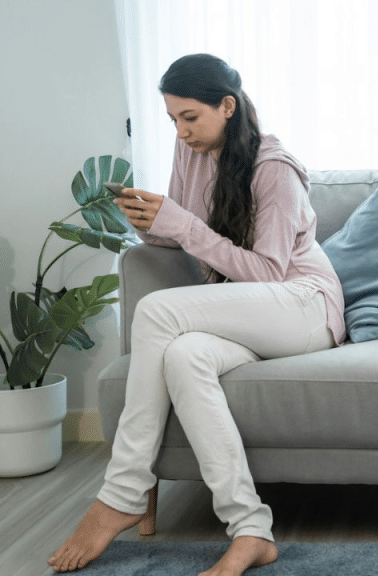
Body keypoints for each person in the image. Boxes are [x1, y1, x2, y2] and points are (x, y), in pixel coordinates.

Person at [49, 54, 346, 576]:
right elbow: (185, 232)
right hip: (248, 311)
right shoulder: (191, 153)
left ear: (227, 106)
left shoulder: (275, 169)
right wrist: (150, 222)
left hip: (302, 305)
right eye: (172, 120)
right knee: (184, 357)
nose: (181, 131)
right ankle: (251, 529)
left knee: (158, 311)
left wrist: (181, 224)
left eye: (190, 117)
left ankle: (122, 493)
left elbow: (269, 273)